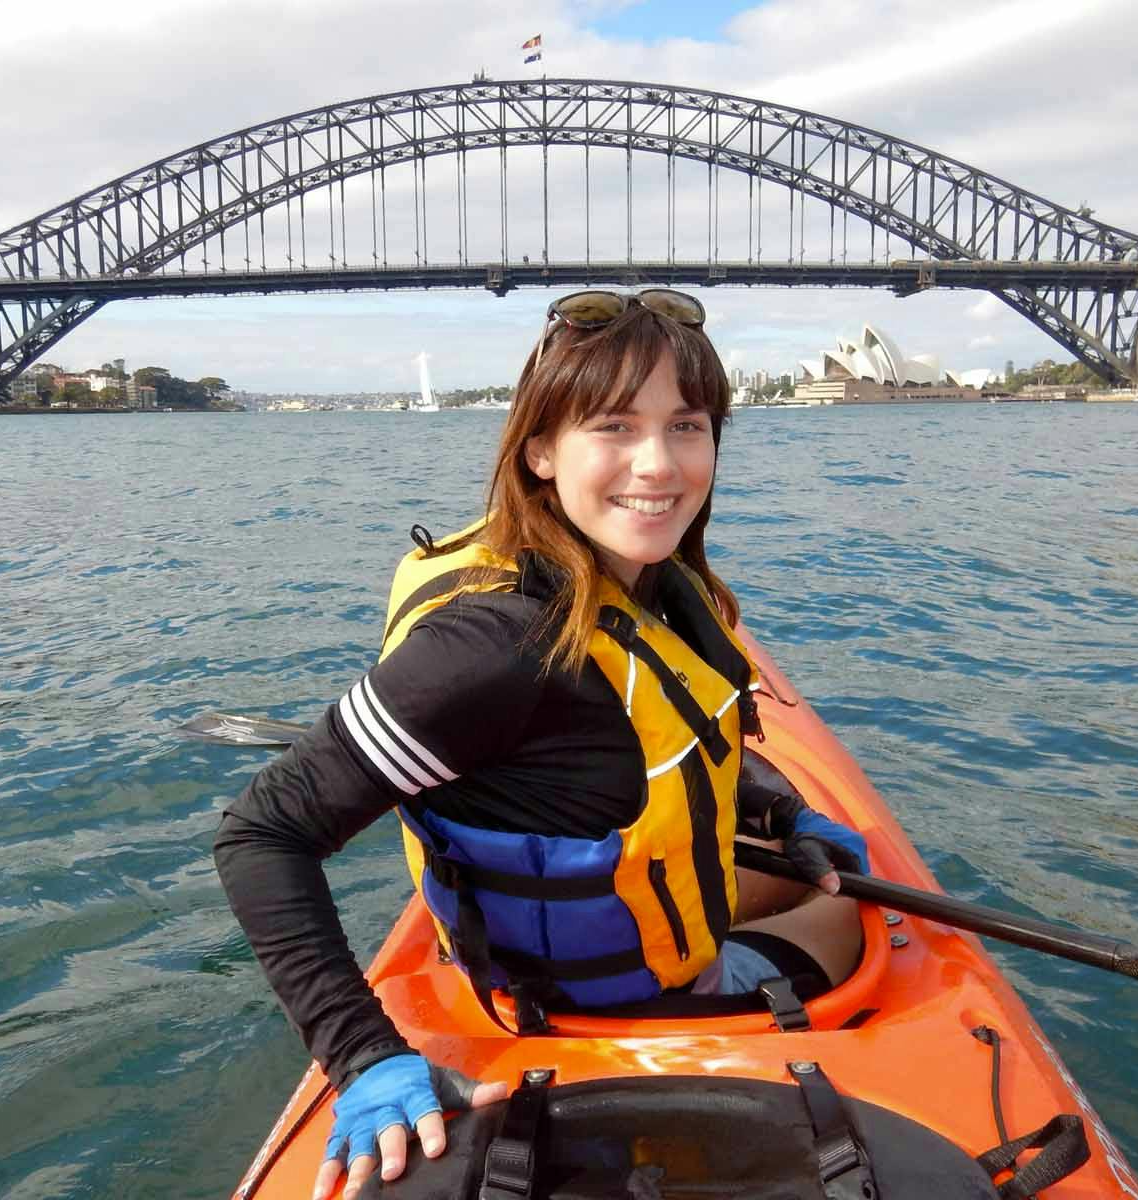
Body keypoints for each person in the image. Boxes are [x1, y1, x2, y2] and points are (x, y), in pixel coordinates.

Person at [214, 289, 871, 1200]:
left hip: (585, 921)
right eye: (614, 425)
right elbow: (260, 834)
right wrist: (362, 1056)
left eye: (687, 424)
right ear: (539, 450)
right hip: (603, 998)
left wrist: (778, 809)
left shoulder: (637, 581)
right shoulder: (494, 647)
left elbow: (680, 737)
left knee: (807, 869)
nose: (659, 462)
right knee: (850, 915)